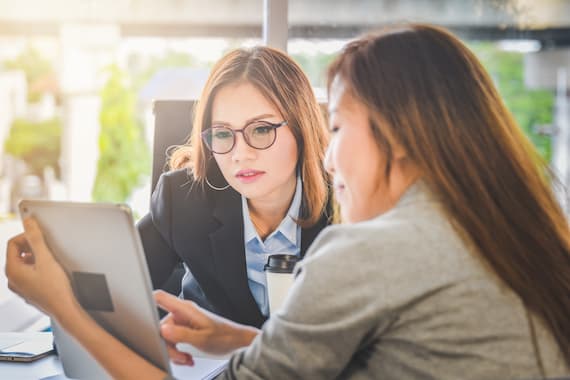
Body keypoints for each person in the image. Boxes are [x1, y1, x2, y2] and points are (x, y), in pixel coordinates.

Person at [6, 23, 570, 379]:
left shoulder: (365, 248)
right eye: (222, 134)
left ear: (396, 137)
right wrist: (250, 341)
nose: (329, 157)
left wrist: (63, 306)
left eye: (337, 129)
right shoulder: (503, 229)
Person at [137, 46, 332, 328]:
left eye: (262, 129)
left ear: (302, 128)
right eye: (223, 133)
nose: (240, 154)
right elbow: (113, 289)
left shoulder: (348, 203)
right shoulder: (183, 200)